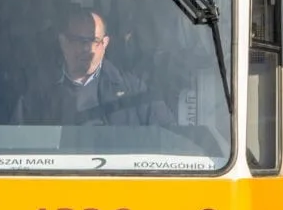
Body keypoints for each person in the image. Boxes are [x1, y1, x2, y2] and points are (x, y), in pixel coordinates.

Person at [13, 8, 174, 127]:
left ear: (105, 44)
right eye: (78, 40)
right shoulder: (38, 93)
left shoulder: (133, 90)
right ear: (63, 42)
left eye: (94, 41)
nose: (86, 48)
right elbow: (15, 146)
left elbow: (168, 140)